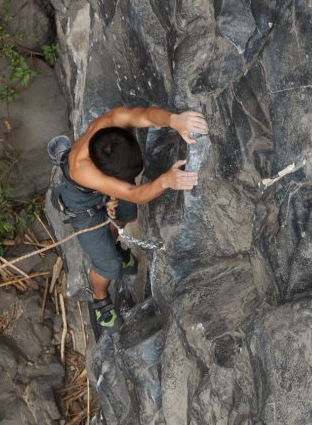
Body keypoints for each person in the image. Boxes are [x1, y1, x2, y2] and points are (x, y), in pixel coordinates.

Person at [51, 106, 207, 330]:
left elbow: (143, 115)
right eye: (126, 178)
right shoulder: (83, 169)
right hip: (81, 203)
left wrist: (175, 120)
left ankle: (113, 244)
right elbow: (135, 194)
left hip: (104, 182)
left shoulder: (113, 122)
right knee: (109, 266)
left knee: (126, 213)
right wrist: (165, 181)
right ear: (109, 176)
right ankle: (99, 296)